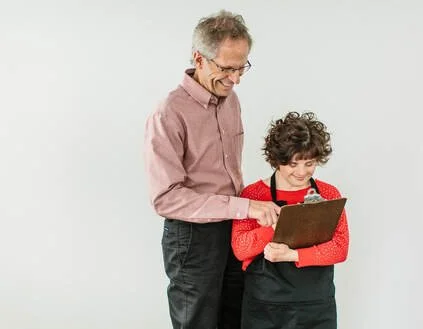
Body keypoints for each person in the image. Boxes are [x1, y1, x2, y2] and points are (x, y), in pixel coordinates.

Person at [144, 10, 280, 329]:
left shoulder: (231, 101)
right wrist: (244, 207)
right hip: (192, 238)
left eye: (242, 67)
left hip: (234, 228)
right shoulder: (169, 114)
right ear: (199, 58)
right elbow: (165, 198)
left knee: (236, 317)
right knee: (199, 323)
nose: (235, 79)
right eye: (227, 68)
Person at [231, 111, 350, 329]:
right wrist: (273, 227)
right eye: (294, 164)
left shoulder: (328, 194)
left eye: (310, 163)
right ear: (277, 160)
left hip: (316, 308)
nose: (302, 172)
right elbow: (240, 249)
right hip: (264, 308)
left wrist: (292, 255)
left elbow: (339, 248)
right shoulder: (254, 195)